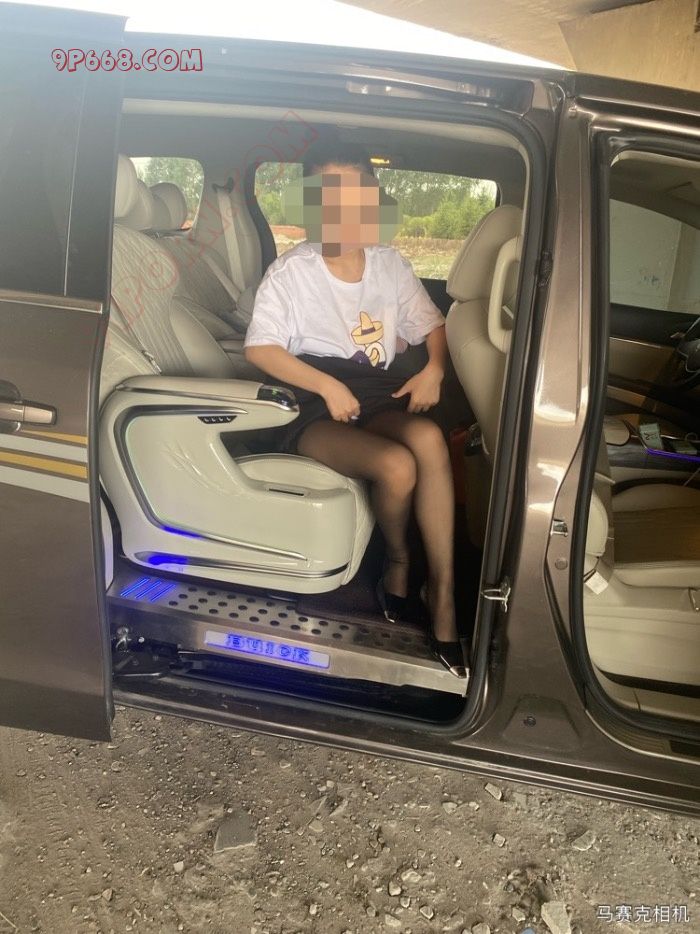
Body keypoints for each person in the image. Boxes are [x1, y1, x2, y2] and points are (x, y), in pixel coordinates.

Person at [243, 139, 466, 678]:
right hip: (312, 402)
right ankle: (399, 559)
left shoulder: (389, 264)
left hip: (377, 388)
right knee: (397, 464)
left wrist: (434, 369)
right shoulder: (292, 272)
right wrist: (326, 385)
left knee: (429, 438)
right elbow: (261, 348)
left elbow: (432, 325)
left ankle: (443, 593)